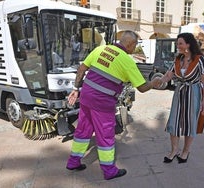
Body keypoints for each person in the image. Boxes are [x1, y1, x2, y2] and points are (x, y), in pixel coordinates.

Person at [66, 30, 160, 180]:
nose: (135, 48)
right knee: (105, 136)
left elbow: (82, 69)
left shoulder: (100, 49)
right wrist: (154, 83)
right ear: (130, 44)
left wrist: (76, 89)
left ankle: (73, 162)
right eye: (135, 45)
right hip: (102, 103)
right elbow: (142, 87)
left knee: (83, 130)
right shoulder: (127, 61)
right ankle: (109, 171)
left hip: (86, 97)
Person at [157, 32, 204, 164]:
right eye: (177, 43)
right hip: (179, 93)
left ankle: (186, 151)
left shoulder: (199, 60)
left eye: (180, 43)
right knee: (173, 122)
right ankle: (174, 150)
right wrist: (156, 81)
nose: (178, 46)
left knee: (190, 122)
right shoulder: (177, 59)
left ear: (188, 44)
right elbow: (168, 76)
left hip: (193, 93)